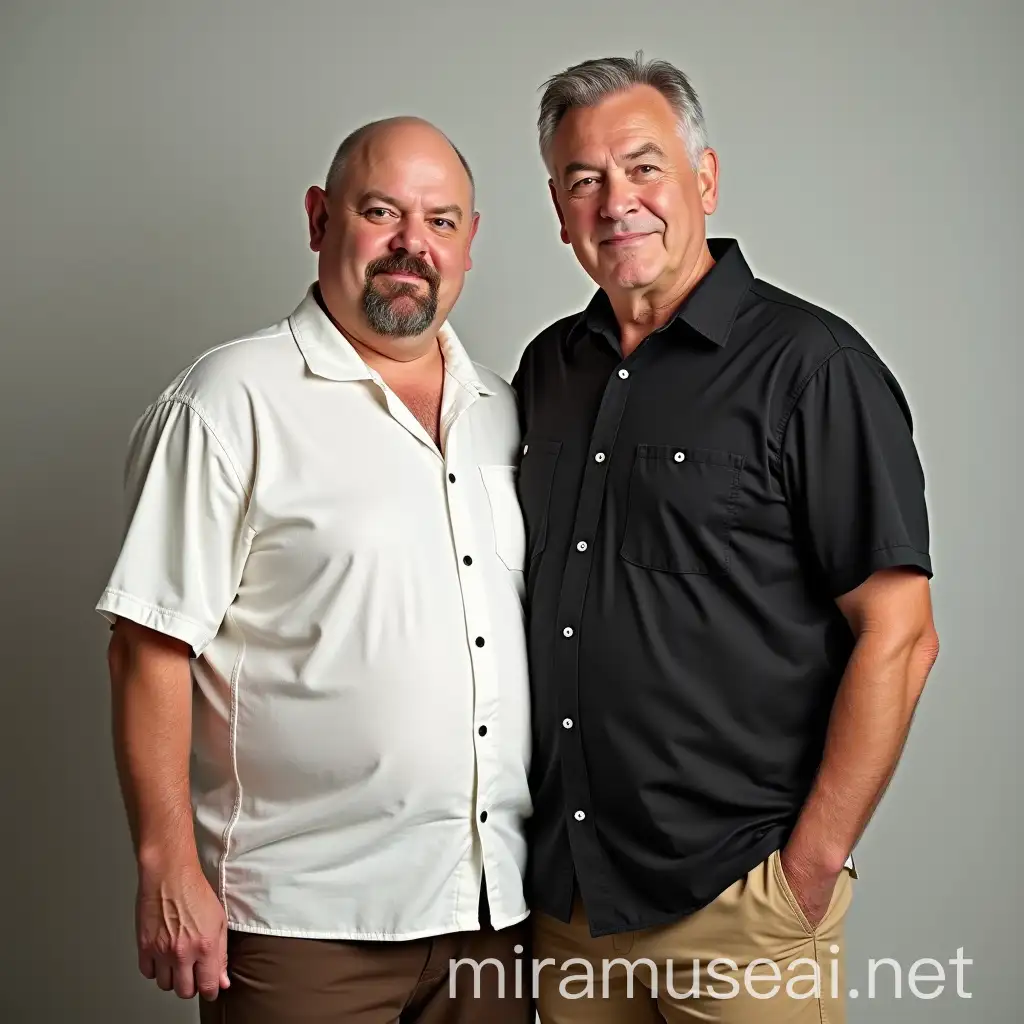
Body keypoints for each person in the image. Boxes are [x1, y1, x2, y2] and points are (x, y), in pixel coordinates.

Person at [512, 53, 940, 1023]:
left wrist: (807, 870)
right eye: (584, 179)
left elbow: (902, 634)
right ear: (557, 206)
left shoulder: (813, 369)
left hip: (737, 900)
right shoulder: (546, 370)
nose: (615, 199)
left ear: (702, 178)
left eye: (641, 166)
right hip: (572, 904)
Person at [96, 116, 535, 1023]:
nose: (413, 244)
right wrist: (167, 867)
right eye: (382, 212)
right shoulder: (228, 403)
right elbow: (148, 647)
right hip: (302, 925)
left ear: (471, 243)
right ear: (318, 218)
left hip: (491, 917)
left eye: (442, 221)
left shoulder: (510, 411)